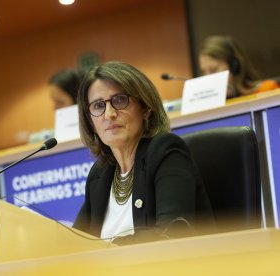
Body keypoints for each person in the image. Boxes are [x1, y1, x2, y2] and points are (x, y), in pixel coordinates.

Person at [73, 61, 214, 244]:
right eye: (98, 106)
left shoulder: (166, 152)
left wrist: (108, 250)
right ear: (90, 121)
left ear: (146, 108)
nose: (109, 114)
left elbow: (171, 234)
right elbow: (78, 242)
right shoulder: (100, 174)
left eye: (120, 100)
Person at [199, 35, 279, 99]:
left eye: (214, 70)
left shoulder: (267, 90)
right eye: (203, 72)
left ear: (234, 67)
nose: (207, 78)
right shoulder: (207, 104)